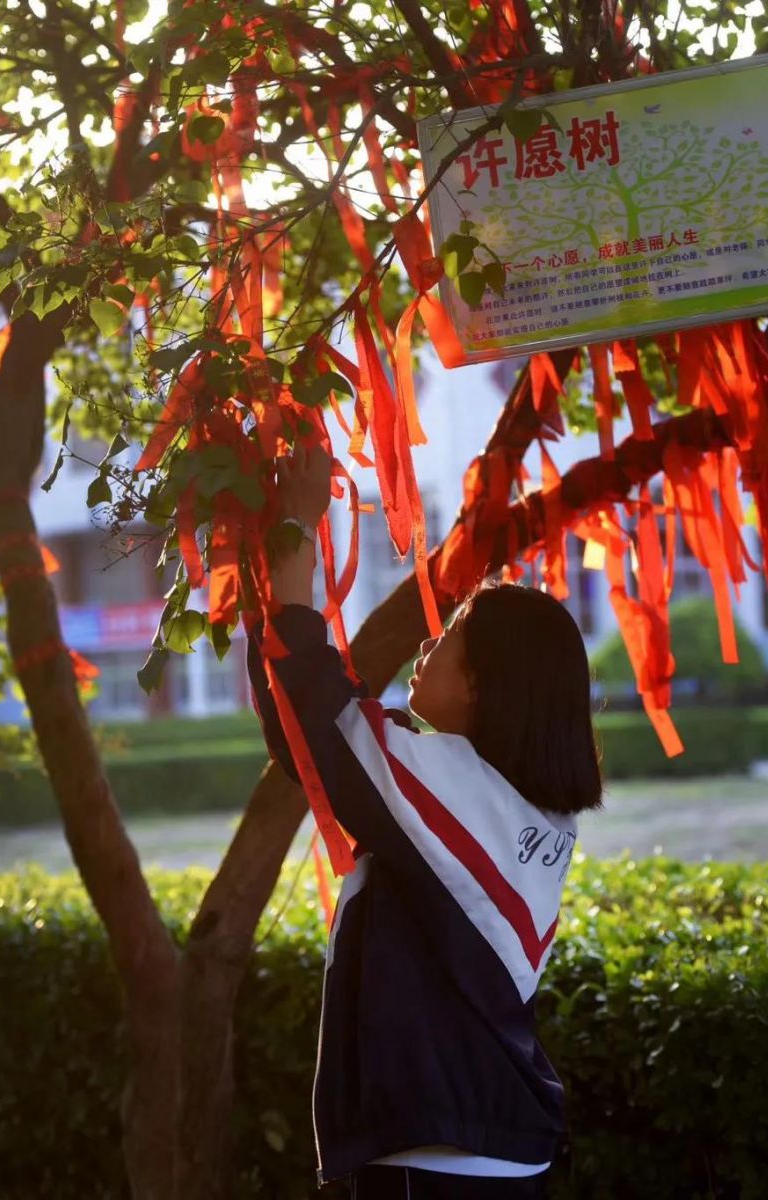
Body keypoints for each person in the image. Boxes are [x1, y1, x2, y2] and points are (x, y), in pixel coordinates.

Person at [246, 444, 603, 1199]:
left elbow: (325, 720)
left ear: (478, 683)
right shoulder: (523, 808)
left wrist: (294, 529)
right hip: (486, 1146)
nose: (424, 643)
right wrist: (272, 591)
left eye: (447, 638)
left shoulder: (458, 791)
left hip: (439, 1158)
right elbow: (312, 737)